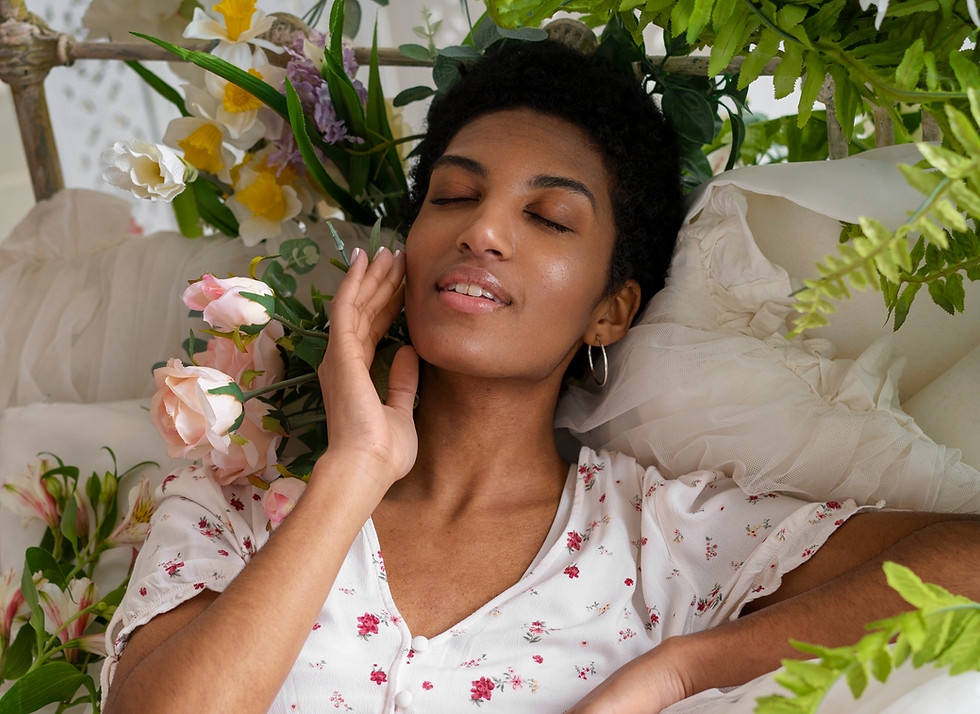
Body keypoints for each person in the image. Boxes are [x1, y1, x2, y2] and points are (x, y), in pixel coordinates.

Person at [101, 40, 980, 713]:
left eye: (549, 217)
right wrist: (352, 473)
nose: (482, 231)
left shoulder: (664, 546)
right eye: (451, 196)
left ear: (611, 311)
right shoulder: (230, 508)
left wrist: (677, 671)